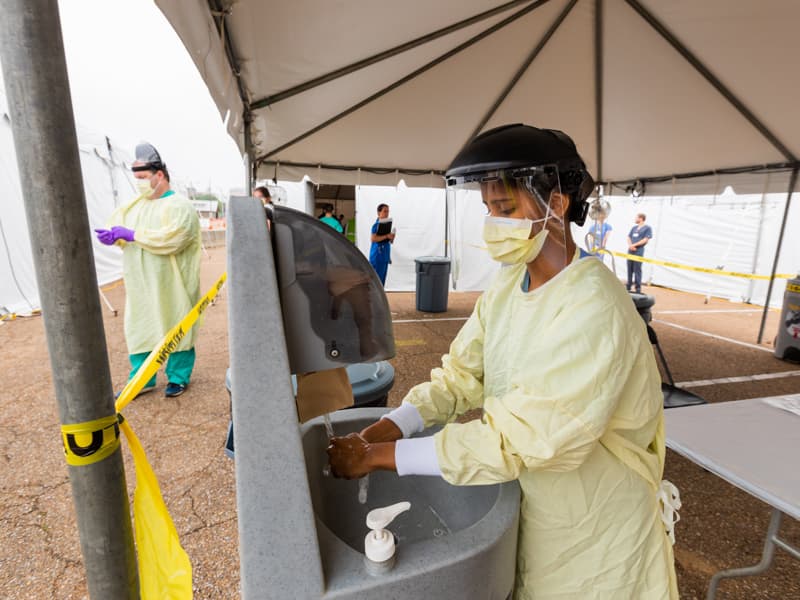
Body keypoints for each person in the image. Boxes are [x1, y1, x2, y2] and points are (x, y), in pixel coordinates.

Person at [327, 124, 679, 599]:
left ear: (556, 203)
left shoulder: (594, 307)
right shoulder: (511, 284)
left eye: (506, 208)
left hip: (598, 530)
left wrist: (376, 458)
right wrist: (390, 426)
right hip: (540, 510)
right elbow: (460, 376)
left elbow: (517, 439)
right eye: (489, 209)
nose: (494, 222)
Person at [94, 143, 201, 398]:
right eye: (137, 178)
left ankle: (178, 376)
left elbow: (174, 238)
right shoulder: (133, 207)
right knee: (140, 327)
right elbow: (118, 227)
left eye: (143, 178)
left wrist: (132, 235)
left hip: (171, 283)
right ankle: (143, 379)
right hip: (140, 282)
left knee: (176, 324)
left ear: (159, 175)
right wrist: (114, 237)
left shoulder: (180, 206)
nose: (139, 183)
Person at [369, 203, 395, 285]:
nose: (387, 214)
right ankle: (375, 297)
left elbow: (388, 242)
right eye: (384, 211)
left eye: (388, 211)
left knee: (382, 281)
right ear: (378, 213)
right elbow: (373, 239)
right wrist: (387, 235)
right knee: (377, 281)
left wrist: (391, 238)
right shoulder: (376, 225)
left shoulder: (387, 226)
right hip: (377, 257)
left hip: (384, 257)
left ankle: (380, 297)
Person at [626, 212, 653, 293]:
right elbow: (628, 237)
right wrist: (630, 245)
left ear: (641, 218)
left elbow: (646, 239)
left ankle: (638, 288)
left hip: (638, 251)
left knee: (637, 269)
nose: (635, 219)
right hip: (630, 250)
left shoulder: (647, 228)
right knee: (629, 269)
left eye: (636, 217)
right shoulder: (634, 228)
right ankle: (628, 285)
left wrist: (635, 245)